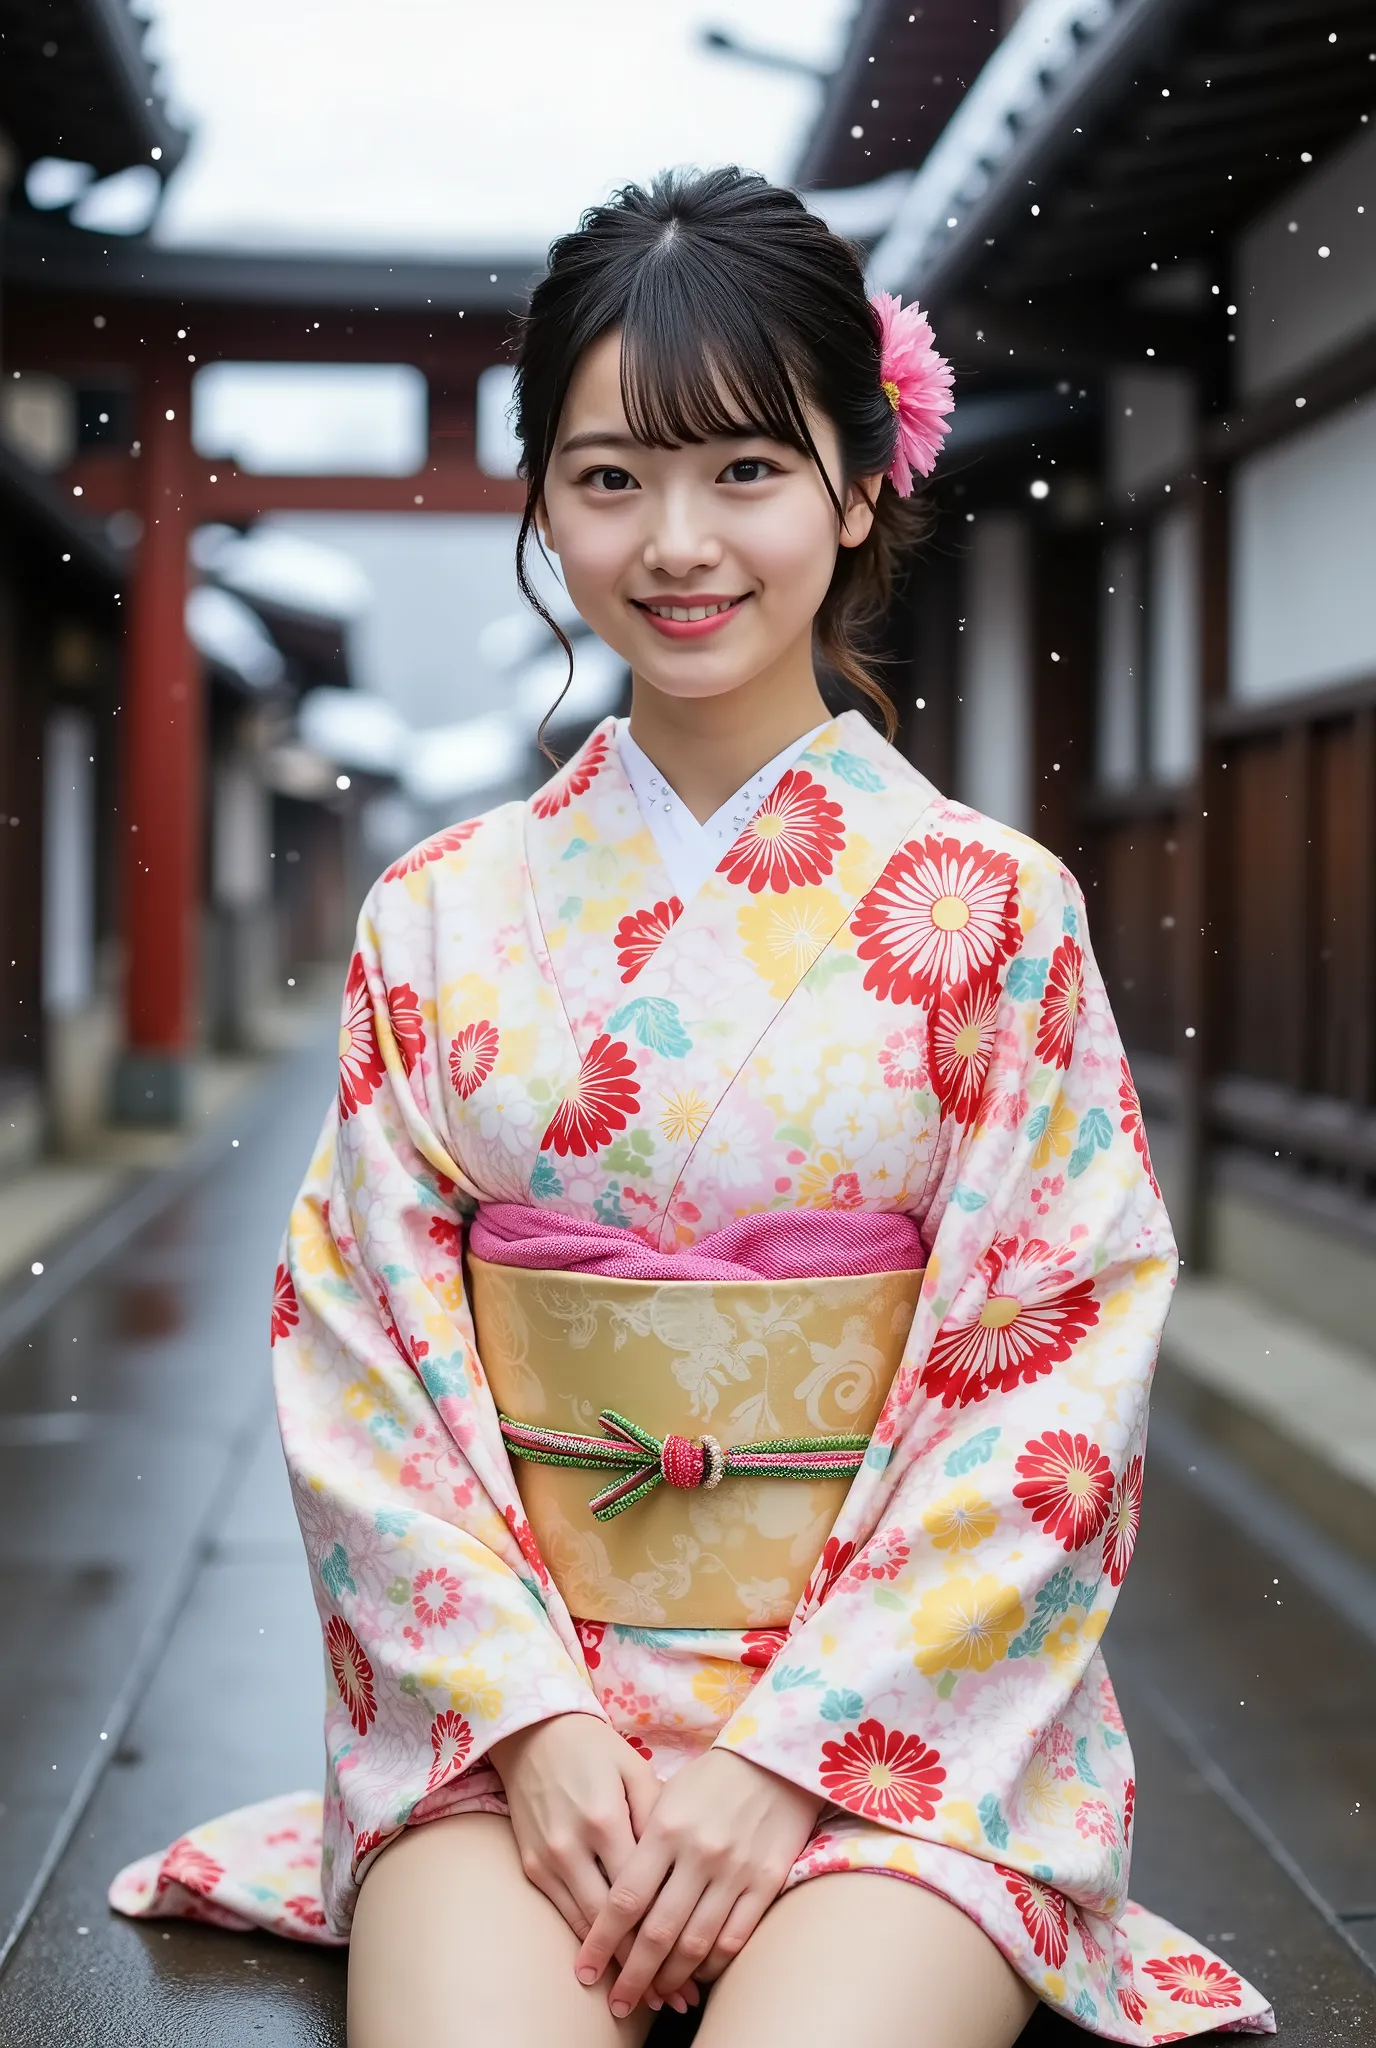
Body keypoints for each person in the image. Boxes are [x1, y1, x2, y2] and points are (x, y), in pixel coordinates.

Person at [112, 167, 1273, 2048]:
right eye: (607, 477)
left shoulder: (994, 915)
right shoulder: (437, 915)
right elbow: (361, 1358)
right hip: (519, 1718)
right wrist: (540, 1719)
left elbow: (1053, 1362)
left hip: (899, 1732)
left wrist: (800, 1749)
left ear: (863, 478)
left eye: (745, 469)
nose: (677, 540)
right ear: (543, 500)